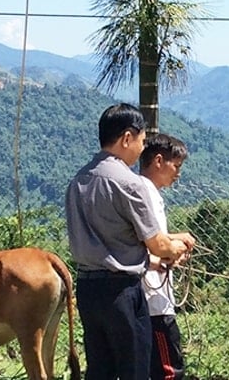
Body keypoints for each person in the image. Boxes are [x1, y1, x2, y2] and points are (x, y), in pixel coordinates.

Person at [65, 103, 196, 380]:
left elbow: (115, 234)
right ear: (127, 138)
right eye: (142, 139)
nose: (142, 147)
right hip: (122, 291)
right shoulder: (129, 183)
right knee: (134, 369)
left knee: (100, 370)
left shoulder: (78, 180)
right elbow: (158, 246)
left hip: (88, 289)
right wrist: (177, 248)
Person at [138, 133, 192, 380]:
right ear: (158, 161)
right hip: (154, 300)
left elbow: (152, 237)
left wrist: (174, 239)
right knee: (169, 370)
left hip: (153, 295)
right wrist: (169, 253)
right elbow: (149, 245)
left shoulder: (146, 192)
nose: (177, 173)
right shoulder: (145, 194)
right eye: (176, 166)